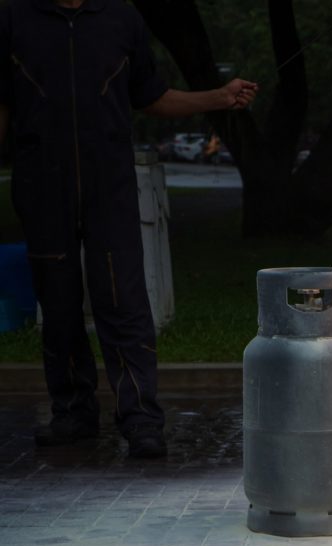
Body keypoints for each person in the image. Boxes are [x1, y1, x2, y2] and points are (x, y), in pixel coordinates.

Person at [0, 0, 258, 458]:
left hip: (110, 185)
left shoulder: (122, 17)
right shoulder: (14, 17)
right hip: (41, 184)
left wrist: (218, 96)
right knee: (57, 306)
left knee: (123, 300)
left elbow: (152, 96)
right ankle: (72, 414)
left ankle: (140, 419)